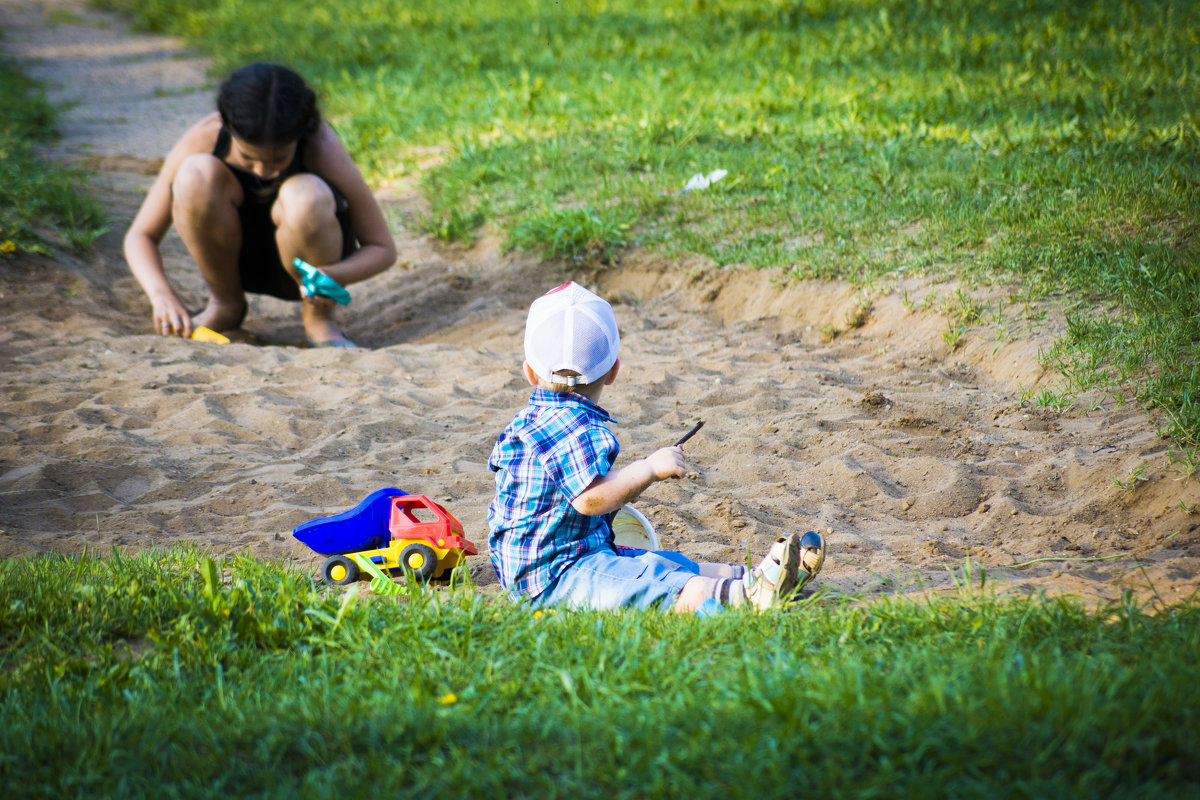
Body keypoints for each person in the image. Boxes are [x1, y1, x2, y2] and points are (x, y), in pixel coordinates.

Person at [487, 281, 826, 613]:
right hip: (556, 577)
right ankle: (747, 596)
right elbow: (588, 499)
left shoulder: (532, 420)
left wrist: (627, 485)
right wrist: (648, 469)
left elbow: (576, 491)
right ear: (613, 371)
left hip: (553, 562)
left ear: (529, 372)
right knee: (659, 583)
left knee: (667, 564)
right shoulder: (577, 426)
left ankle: (757, 577)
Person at [123, 62, 397, 347]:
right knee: (195, 175)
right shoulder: (206, 136)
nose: (264, 171)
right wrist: (161, 296)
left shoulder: (321, 146)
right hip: (231, 263)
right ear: (226, 125)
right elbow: (140, 236)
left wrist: (331, 275)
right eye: (248, 157)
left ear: (302, 131)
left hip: (307, 271)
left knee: (306, 195)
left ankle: (320, 320)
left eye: (279, 159)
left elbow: (383, 248)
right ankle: (226, 305)